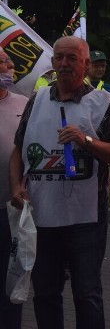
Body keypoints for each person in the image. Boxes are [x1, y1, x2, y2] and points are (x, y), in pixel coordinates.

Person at [9, 36, 110, 329]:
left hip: (85, 218)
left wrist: (84, 139)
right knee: (46, 293)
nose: (64, 64)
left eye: (72, 58)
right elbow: (18, 150)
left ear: (85, 65)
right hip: (43, 215)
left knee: (86, 294)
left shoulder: (101, 103)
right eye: (59, 58)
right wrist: (15, 187)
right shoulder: (37, 101)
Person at [0, 47, 28, 329]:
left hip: (12, 208)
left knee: (10, 279)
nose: (8, 66)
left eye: (8, 61)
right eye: (2, 61)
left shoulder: (23, 104)